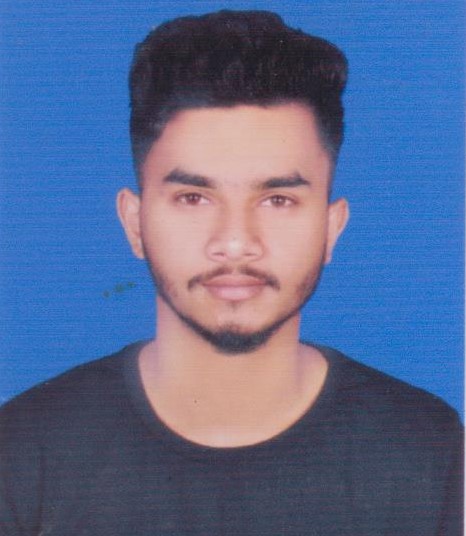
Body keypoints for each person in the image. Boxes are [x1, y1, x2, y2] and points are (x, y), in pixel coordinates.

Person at [0, 9, 462, 536]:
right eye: (193, 198)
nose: (236, 241)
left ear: (332, 228)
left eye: (278, 199)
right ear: (134, 222)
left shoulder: (432, 452)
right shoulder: (22, 453)